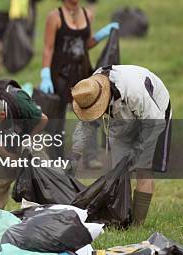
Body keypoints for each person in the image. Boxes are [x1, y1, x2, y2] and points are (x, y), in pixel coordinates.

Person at [70, 65, 172, 225]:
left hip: (154, 114)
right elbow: (85, 126)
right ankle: (122, 216)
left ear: (104, 99)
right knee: (118, 169)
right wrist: (74, 157)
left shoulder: (135, 93)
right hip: (120, 117)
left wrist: (138, 152)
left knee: (143, 168)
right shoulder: (89, 90)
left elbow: (155, 123)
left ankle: (137, 225)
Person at [39, 0, 118, 169]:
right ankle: (57, 157)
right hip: (60, 73)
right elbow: (48, 47)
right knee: (57, 118)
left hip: (83, 71)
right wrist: (45, 73)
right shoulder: (55, 17)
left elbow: (87, 43)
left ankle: (90, 156)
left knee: (92, 113)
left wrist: (103, 33)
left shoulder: (87, 14)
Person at [0, 78, 48, 209]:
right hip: (7, 141)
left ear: (1, 115)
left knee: (42, 179)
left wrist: (28, 142)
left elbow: (43, 119)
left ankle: (41, 215)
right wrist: (5, 156)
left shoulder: (19, 100)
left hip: (30, 134)